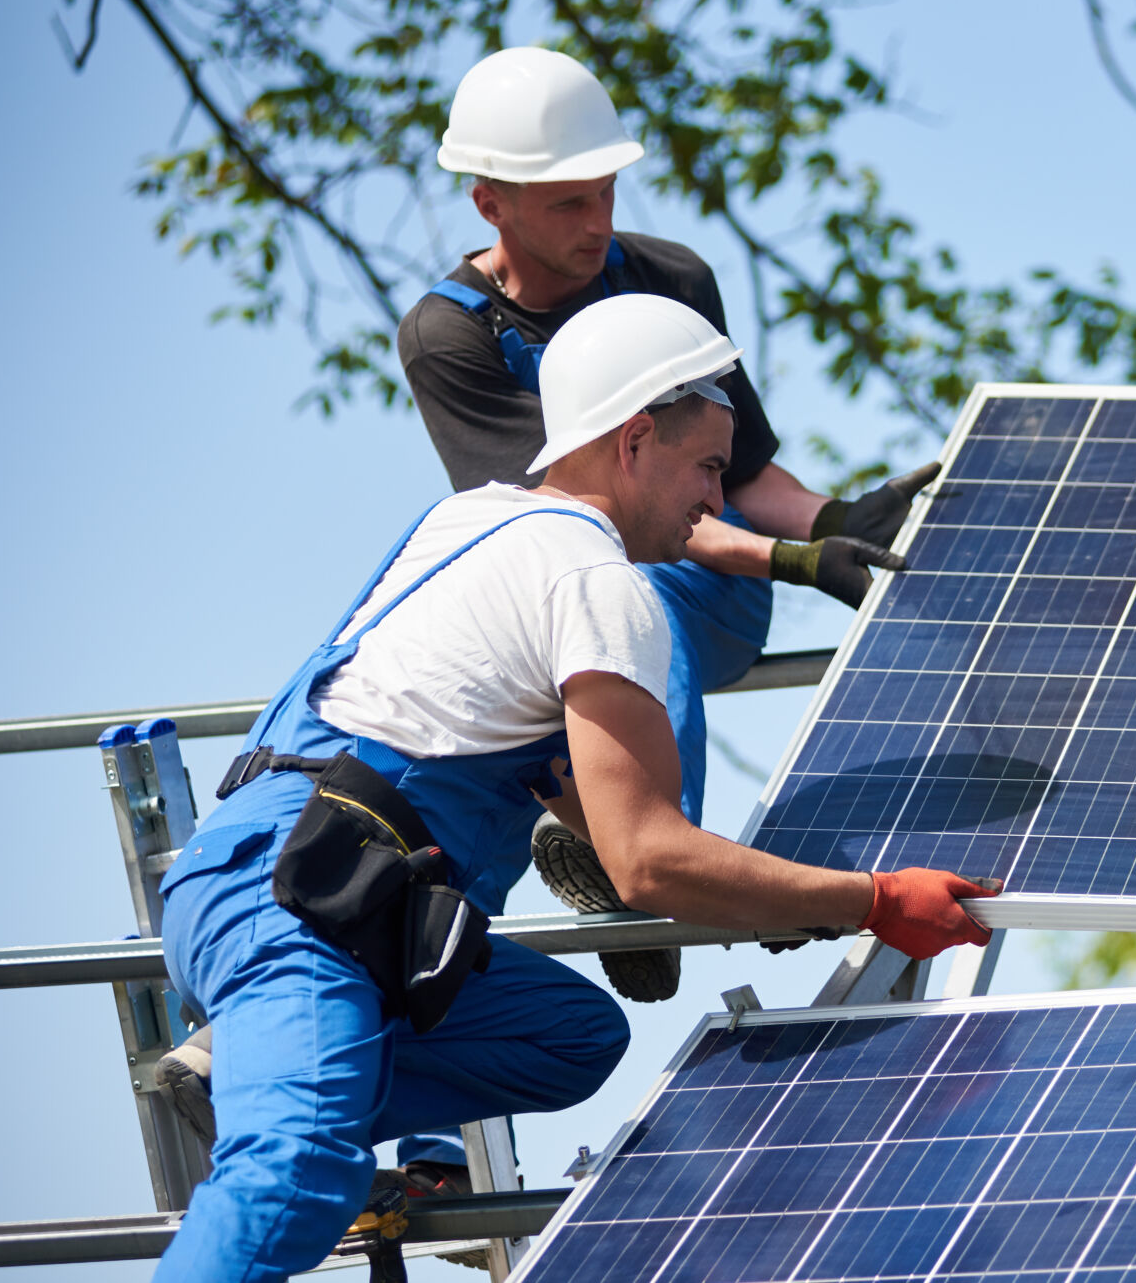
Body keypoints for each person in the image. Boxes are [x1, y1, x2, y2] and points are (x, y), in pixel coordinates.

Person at [150, 292, 997, 1281]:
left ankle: (254, 1064)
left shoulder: (467, 521)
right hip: (307, 904)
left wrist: (568, 810)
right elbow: (646, 863)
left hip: (271, 871)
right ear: (634, 440)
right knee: (293, 1174)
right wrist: (876, 899)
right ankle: (279, 1083)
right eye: (708, 469)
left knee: (569, 1036)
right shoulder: (599, 585)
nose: (713, 505)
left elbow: (427, 722)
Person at [397, 46, 940, 830]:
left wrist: (833, 525)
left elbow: (744, 476)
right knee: (586, 577)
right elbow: (574, 524)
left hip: (702, 593)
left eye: (607, 192)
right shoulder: (448, 337)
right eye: (567, 204)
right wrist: (794, 563)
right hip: (563, 594)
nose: (598, 223)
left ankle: (652, 841)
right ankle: (614, 844)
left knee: (628, 591)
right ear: (491, 203)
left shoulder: (670, 279)